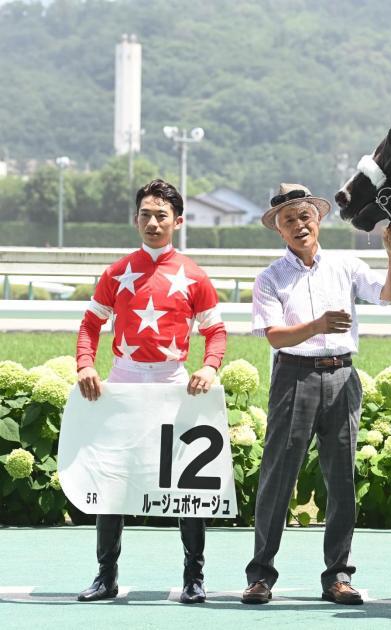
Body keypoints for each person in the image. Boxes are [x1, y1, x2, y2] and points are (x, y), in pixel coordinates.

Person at [241, 183, 391, 606]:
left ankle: (338, 575)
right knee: (279, 476)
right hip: (294, 376)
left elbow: (390, 295)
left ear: (319, 219)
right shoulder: (270, 278)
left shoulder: (347, 265)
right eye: (288, 220)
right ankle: (260, 574)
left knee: (341, 478)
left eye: (304, 216)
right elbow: (275, 337)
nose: (299, 225)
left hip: (343, 377)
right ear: (278, 230)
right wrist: (316, 325)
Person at [75, 178, 227, 604]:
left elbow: (215, 332)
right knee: (113, 478)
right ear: (136, 219)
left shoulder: (194, 276)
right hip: (123, 379)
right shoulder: (116, 272)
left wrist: (209, 367)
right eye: (145, 214)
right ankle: (106, 576)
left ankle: (194, 579)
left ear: (177, 221)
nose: (153, 223)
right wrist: (86, 364)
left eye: (161, 215)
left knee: (186, 484)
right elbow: (90, 325)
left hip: (172, 380)